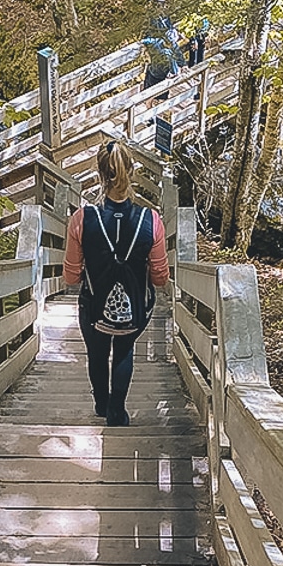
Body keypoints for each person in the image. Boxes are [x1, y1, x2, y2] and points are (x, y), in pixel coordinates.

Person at [63, 141, 170, 426]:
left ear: (100, 174)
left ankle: (101, 403)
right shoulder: (151, 220)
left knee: (97, 353)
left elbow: (70, 276)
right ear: (131, 172)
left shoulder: (82, 218)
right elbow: (160, 277)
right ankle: (117, 412)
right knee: (124, 350)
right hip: (135, 308)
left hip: (93, 306)